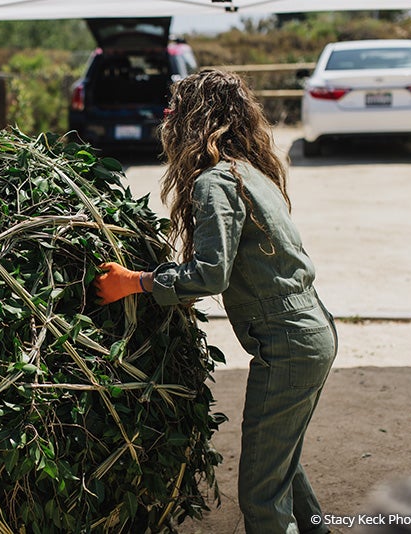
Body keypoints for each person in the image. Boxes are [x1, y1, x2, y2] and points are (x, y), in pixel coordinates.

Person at [94, 69, 338, 534]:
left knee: (260, 494)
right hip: (313, 329)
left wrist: (135, 281)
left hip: (289, 343)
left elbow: (209, 274)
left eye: (174, 113)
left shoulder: (216, 182)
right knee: (280, 460)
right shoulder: (252, 172)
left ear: (192, 121)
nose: (167, 123)